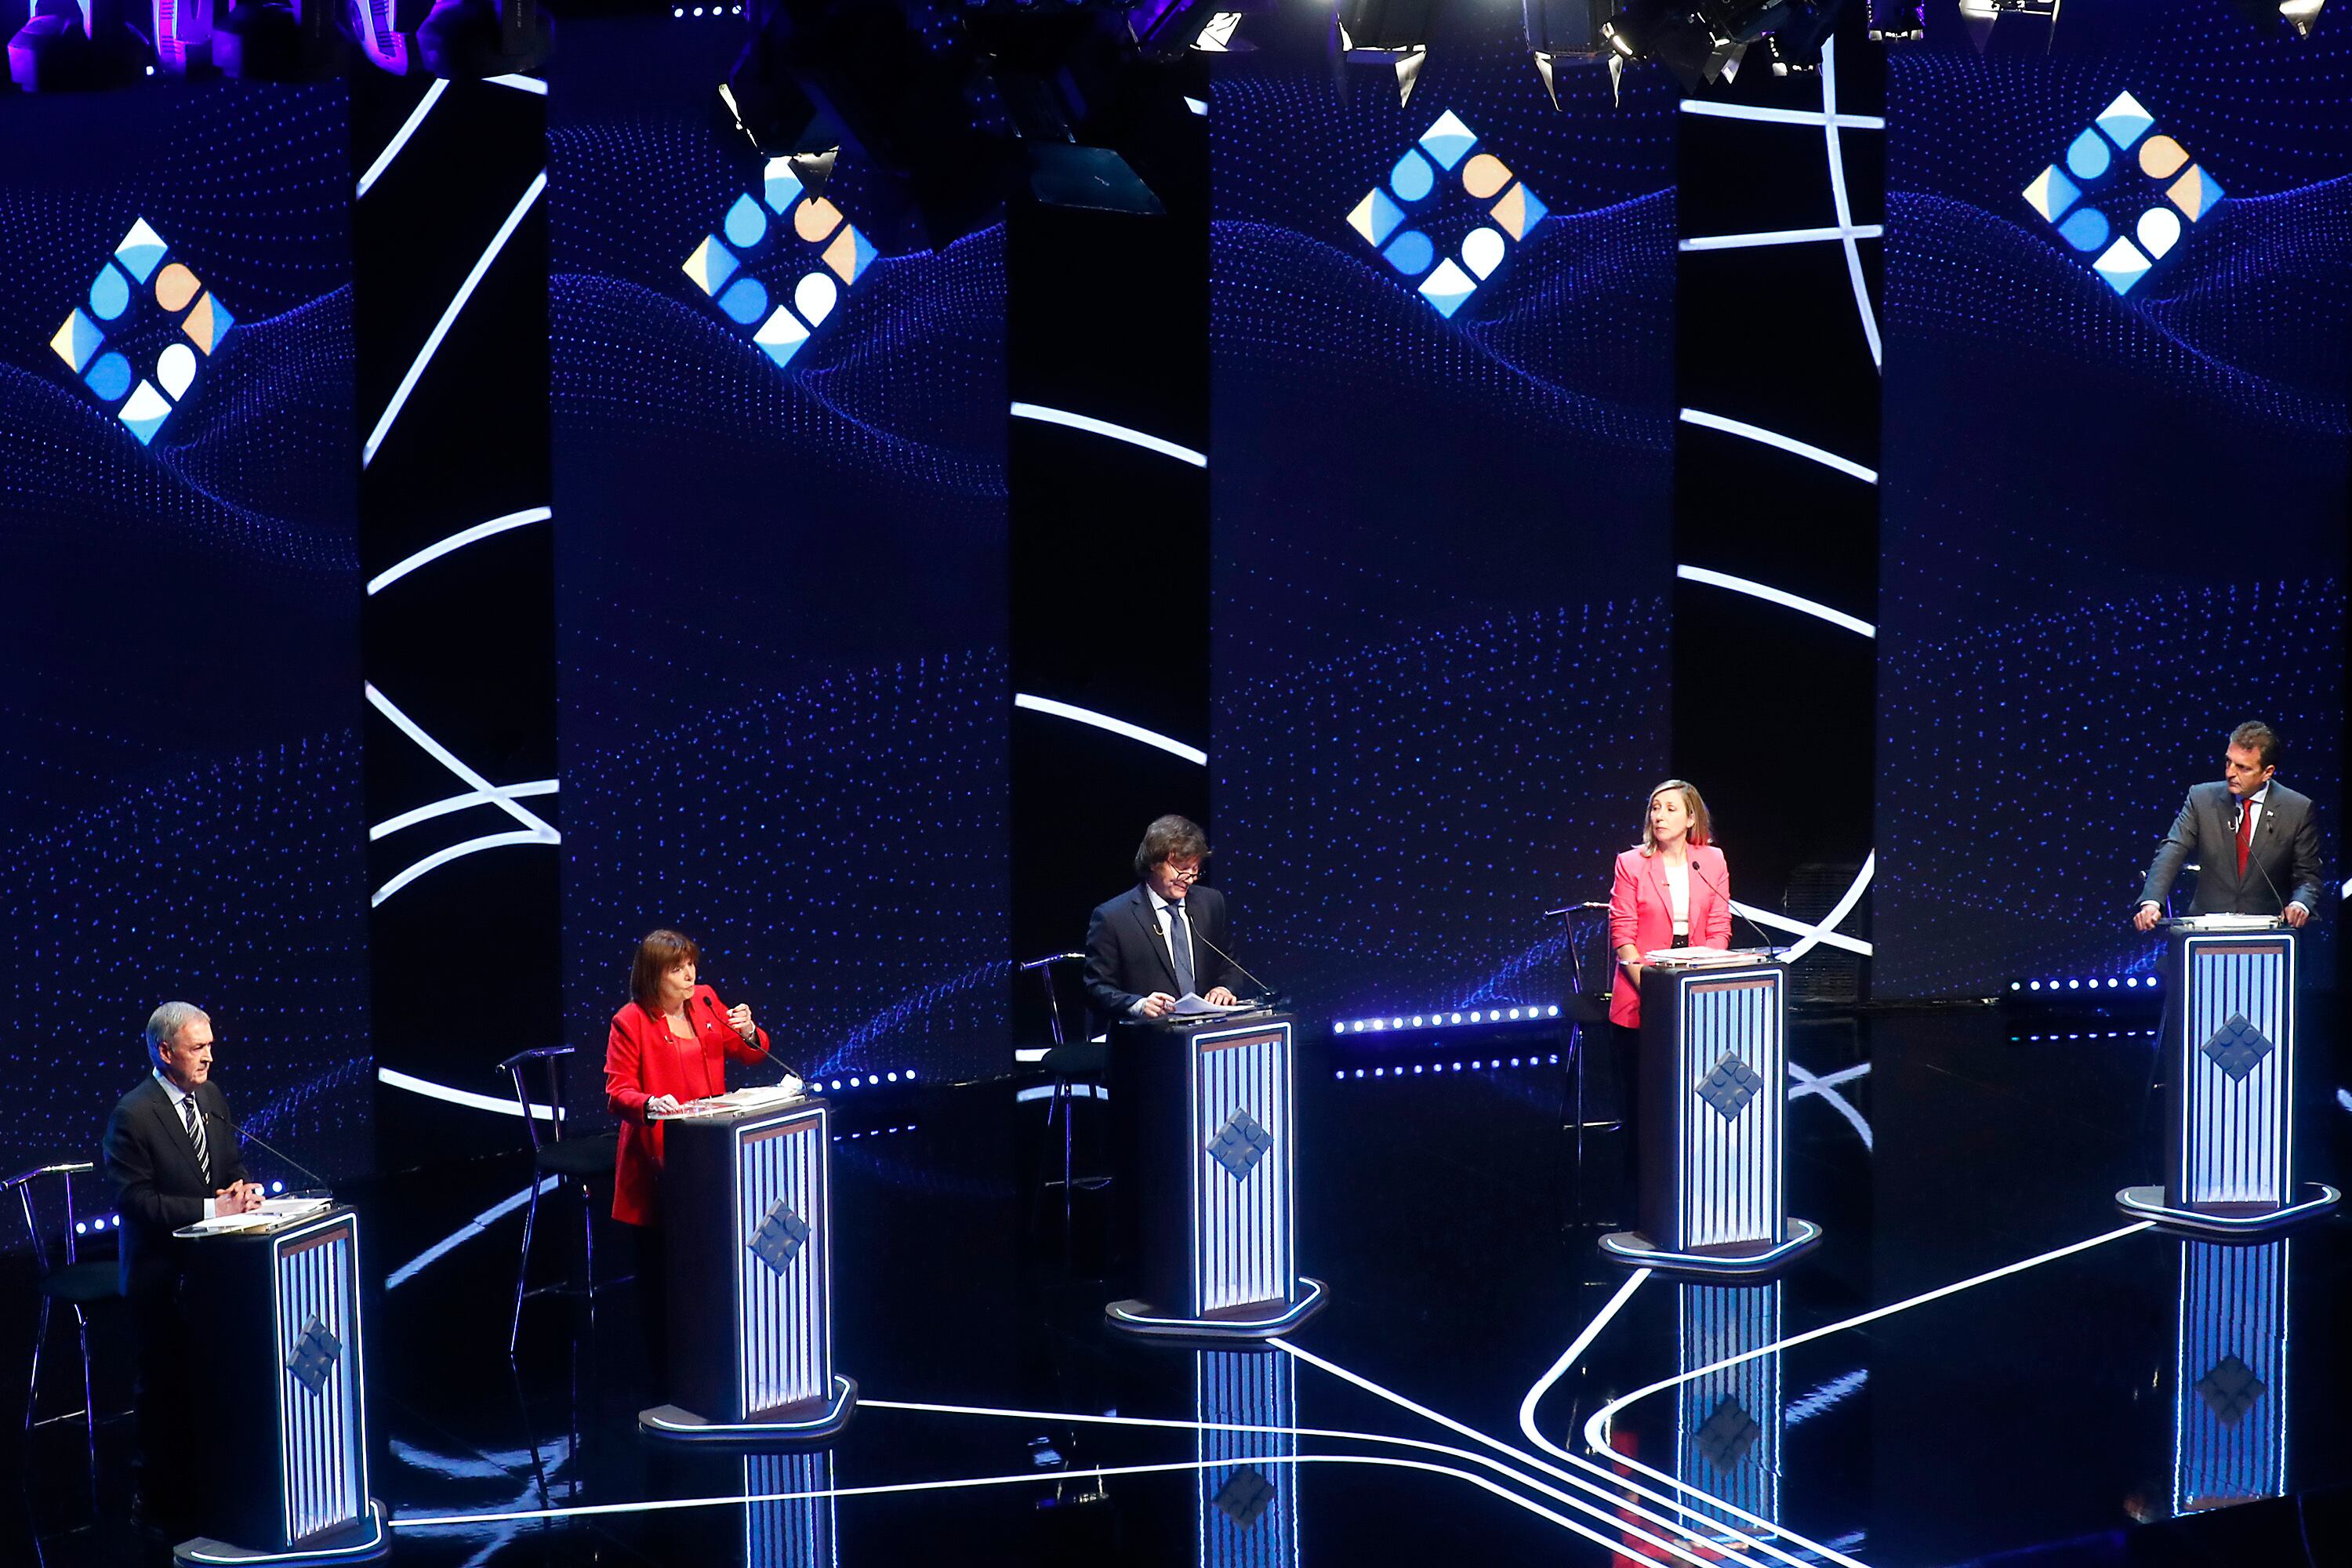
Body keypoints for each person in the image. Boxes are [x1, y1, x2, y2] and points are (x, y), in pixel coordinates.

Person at [103, 1002, 267, 1530]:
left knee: (218, 1380)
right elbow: (137, 1203)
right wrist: (209, 1209)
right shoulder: (134, 1113)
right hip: (160, 1276)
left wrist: (240, 1189)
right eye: (199, 1048)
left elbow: (229, 1166)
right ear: (165, 1050)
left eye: (211, 1046)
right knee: (165, 1388)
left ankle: (217, 1483)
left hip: (217, 1273)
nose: (209, 1057)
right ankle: (155, 1500)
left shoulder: (211, 1097)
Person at [603, 928, 771, 1384]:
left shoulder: (708, 1003)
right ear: (653, 977)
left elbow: (750, 1055)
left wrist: (749, 1031)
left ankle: (715, 1363)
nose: (689, 975)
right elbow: (617, 1093)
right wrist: (650, 1104)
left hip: (713, 1155)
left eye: (691, 965)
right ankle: (667, 1377)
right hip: (659, 1162)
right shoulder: (630, 1020)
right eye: (677, 969)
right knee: (662, 1279)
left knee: (711, 1268)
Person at [1606, 782, 1733, 1165]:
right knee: (1644, 1098)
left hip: (1695, 988)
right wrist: (1655, 990)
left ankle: (1696, 1160)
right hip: (1642, 989)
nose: (1659, 816)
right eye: (1655, 808)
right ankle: (1642, 1175)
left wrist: (1698, 979)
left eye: (1670, 809)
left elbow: (1719, 928)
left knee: (1693, 1091)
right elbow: (1623, 935)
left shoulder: (1711, 860)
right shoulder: (1631, 863)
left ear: (1691, 817)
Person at [2134, 721, 2322, 931]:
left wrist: (2299, 905)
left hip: (2268, 933)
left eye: (2243, 767)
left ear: (2267, 773)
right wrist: (2152, 901)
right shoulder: (2202, 798)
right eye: (2228, 762)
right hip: (2207, 929)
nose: (2231, 773)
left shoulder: (2296, 809)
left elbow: (2308, 876)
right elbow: (2172, 848)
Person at [1083, 814, 1242, 1027]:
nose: (1190, 878)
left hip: (1204, 1035)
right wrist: (1138, 1005)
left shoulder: (1211, 903)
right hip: (1147, 1042)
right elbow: (1096, 989)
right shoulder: (1113, 917)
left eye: (1195, 869)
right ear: (1154, 862)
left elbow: (1230, 965)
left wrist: (1225, 988)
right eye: (1181, 868)